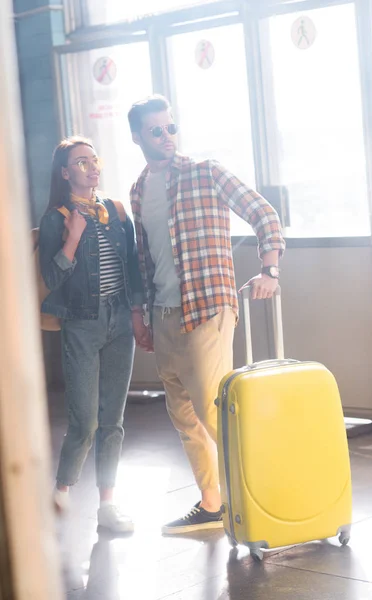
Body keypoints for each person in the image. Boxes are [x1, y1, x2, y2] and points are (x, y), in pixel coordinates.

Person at [128, 95, 285, 535]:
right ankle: (212, 503)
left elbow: (263, 213)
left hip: (208, 306)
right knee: (184, 416)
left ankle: (268, 495)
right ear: (137, 136)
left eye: (171, 127)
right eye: (156, 130)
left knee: (215, 410)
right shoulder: (138, 189)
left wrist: (269, 268)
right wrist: (141, 314)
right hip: (164, 313)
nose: (167, 136)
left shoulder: (206, 172)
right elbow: (144, 257)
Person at [39, 136, 143, 533]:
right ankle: (60, 496)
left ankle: (107, 507)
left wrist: (137, 314)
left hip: (120, 321)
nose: (91, 166)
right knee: (84, 421)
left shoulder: (115, 211)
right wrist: (72, 236)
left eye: (93, 159)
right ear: (65, 173)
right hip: (81, 322)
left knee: (113, 420)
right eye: (81, 162)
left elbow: (132, 270)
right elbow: (51, 277)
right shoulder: (56, 218)